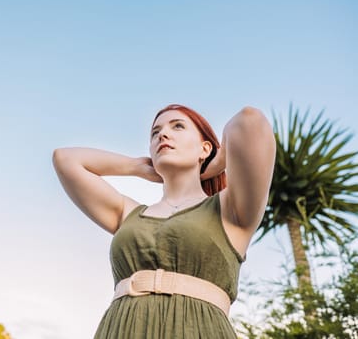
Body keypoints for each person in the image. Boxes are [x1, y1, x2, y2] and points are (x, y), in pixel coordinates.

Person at [52, 104, 276, 338]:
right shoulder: (127, 213)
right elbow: (65, 158)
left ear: (205, 148)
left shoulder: (230, 210)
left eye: (177, 126)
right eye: (155, 133)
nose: (163, 135)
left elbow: (250, 121)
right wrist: (137, 167)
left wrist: (217, 162)